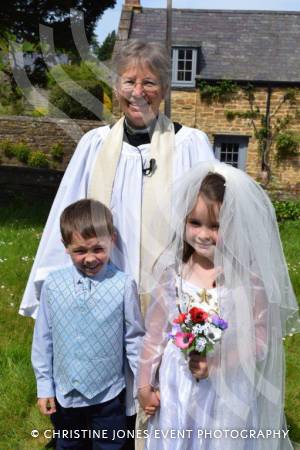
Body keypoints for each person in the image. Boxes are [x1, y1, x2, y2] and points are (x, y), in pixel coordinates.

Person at [19, 39, 215, 319]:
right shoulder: (94, 146)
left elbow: (215, 221)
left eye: (149, 82)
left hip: (173, 297)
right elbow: (68, 219)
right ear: (115, 87)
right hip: (100, 292)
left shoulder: (191, 145)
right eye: (129, 82)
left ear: (165, 90)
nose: (138, 92)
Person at [137, 161, 299, 450]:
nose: (203, 234)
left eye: (216, 226)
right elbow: (154, 337)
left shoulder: (247, 283)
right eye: (195, 223)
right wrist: (144, 386)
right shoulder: (172, 276)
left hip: (227, 388)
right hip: (178, 386)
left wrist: (219, 363)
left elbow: (260, 341)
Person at [31, 199, 144, 450]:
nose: (90, 258)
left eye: (98, 249)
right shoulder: (52, 284)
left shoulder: (124, 285)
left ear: (111, 239)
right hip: (66, 396)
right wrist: (44, 386)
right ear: (65, 246)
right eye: (80, 251)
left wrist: (144, 383)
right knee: (69, 445)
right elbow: (43, 339)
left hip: (108, 395)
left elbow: (134, 338)